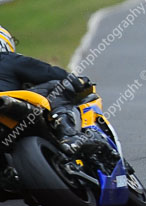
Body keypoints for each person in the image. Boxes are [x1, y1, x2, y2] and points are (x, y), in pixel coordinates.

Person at [0, 25, 94, 153]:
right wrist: (77, 81)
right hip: (8, 104)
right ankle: (68, 135)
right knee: (56, 86)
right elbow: (51, 73)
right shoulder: (6, 58)